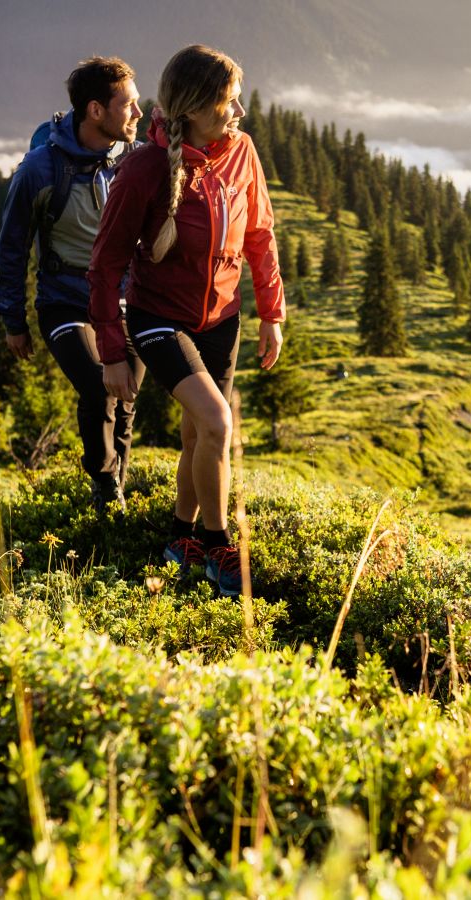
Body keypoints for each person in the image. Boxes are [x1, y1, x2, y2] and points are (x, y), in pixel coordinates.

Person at [89, 44, 285, 596]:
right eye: (230, 103)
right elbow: (104, 265)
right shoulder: (145, 168)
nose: (240, 113)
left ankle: (180, 538)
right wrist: (111, 351)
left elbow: (260, 235)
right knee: (220, 423)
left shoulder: (241, 152)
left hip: (222, 318)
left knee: (201, 432)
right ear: (196, 108)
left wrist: (272, 312)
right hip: (158, 319)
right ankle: (220, 545)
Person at [0, 55, 146, 514]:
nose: (138, 113)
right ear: (95, 111)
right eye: (129, 105)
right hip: (65, 303)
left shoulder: (132, 161)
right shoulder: (40, 170)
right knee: (100, 384)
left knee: (126, 397)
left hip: (123, 302)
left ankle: (117, 484)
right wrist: (13, 319)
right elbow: (12, 246)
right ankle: (104, 486)